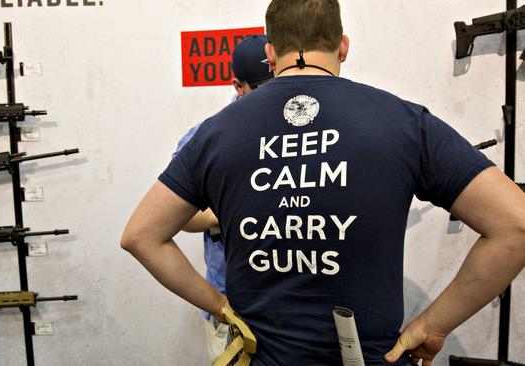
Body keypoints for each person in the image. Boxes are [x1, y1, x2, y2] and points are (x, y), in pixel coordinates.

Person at [121, 0, 525, 365]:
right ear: (343, 46)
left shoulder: (217, 133)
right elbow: (516, 225)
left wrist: (221, 305)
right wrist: (433, 325)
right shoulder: (401, 122)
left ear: (270, 53)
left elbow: (141, 235)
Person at [172, 35, 274, 364]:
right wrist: (223, 212)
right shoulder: (206, 137)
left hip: (292, 303)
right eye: (259, 87)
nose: (270, 94)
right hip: (232, 307)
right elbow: (176, 218)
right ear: (237, 85)